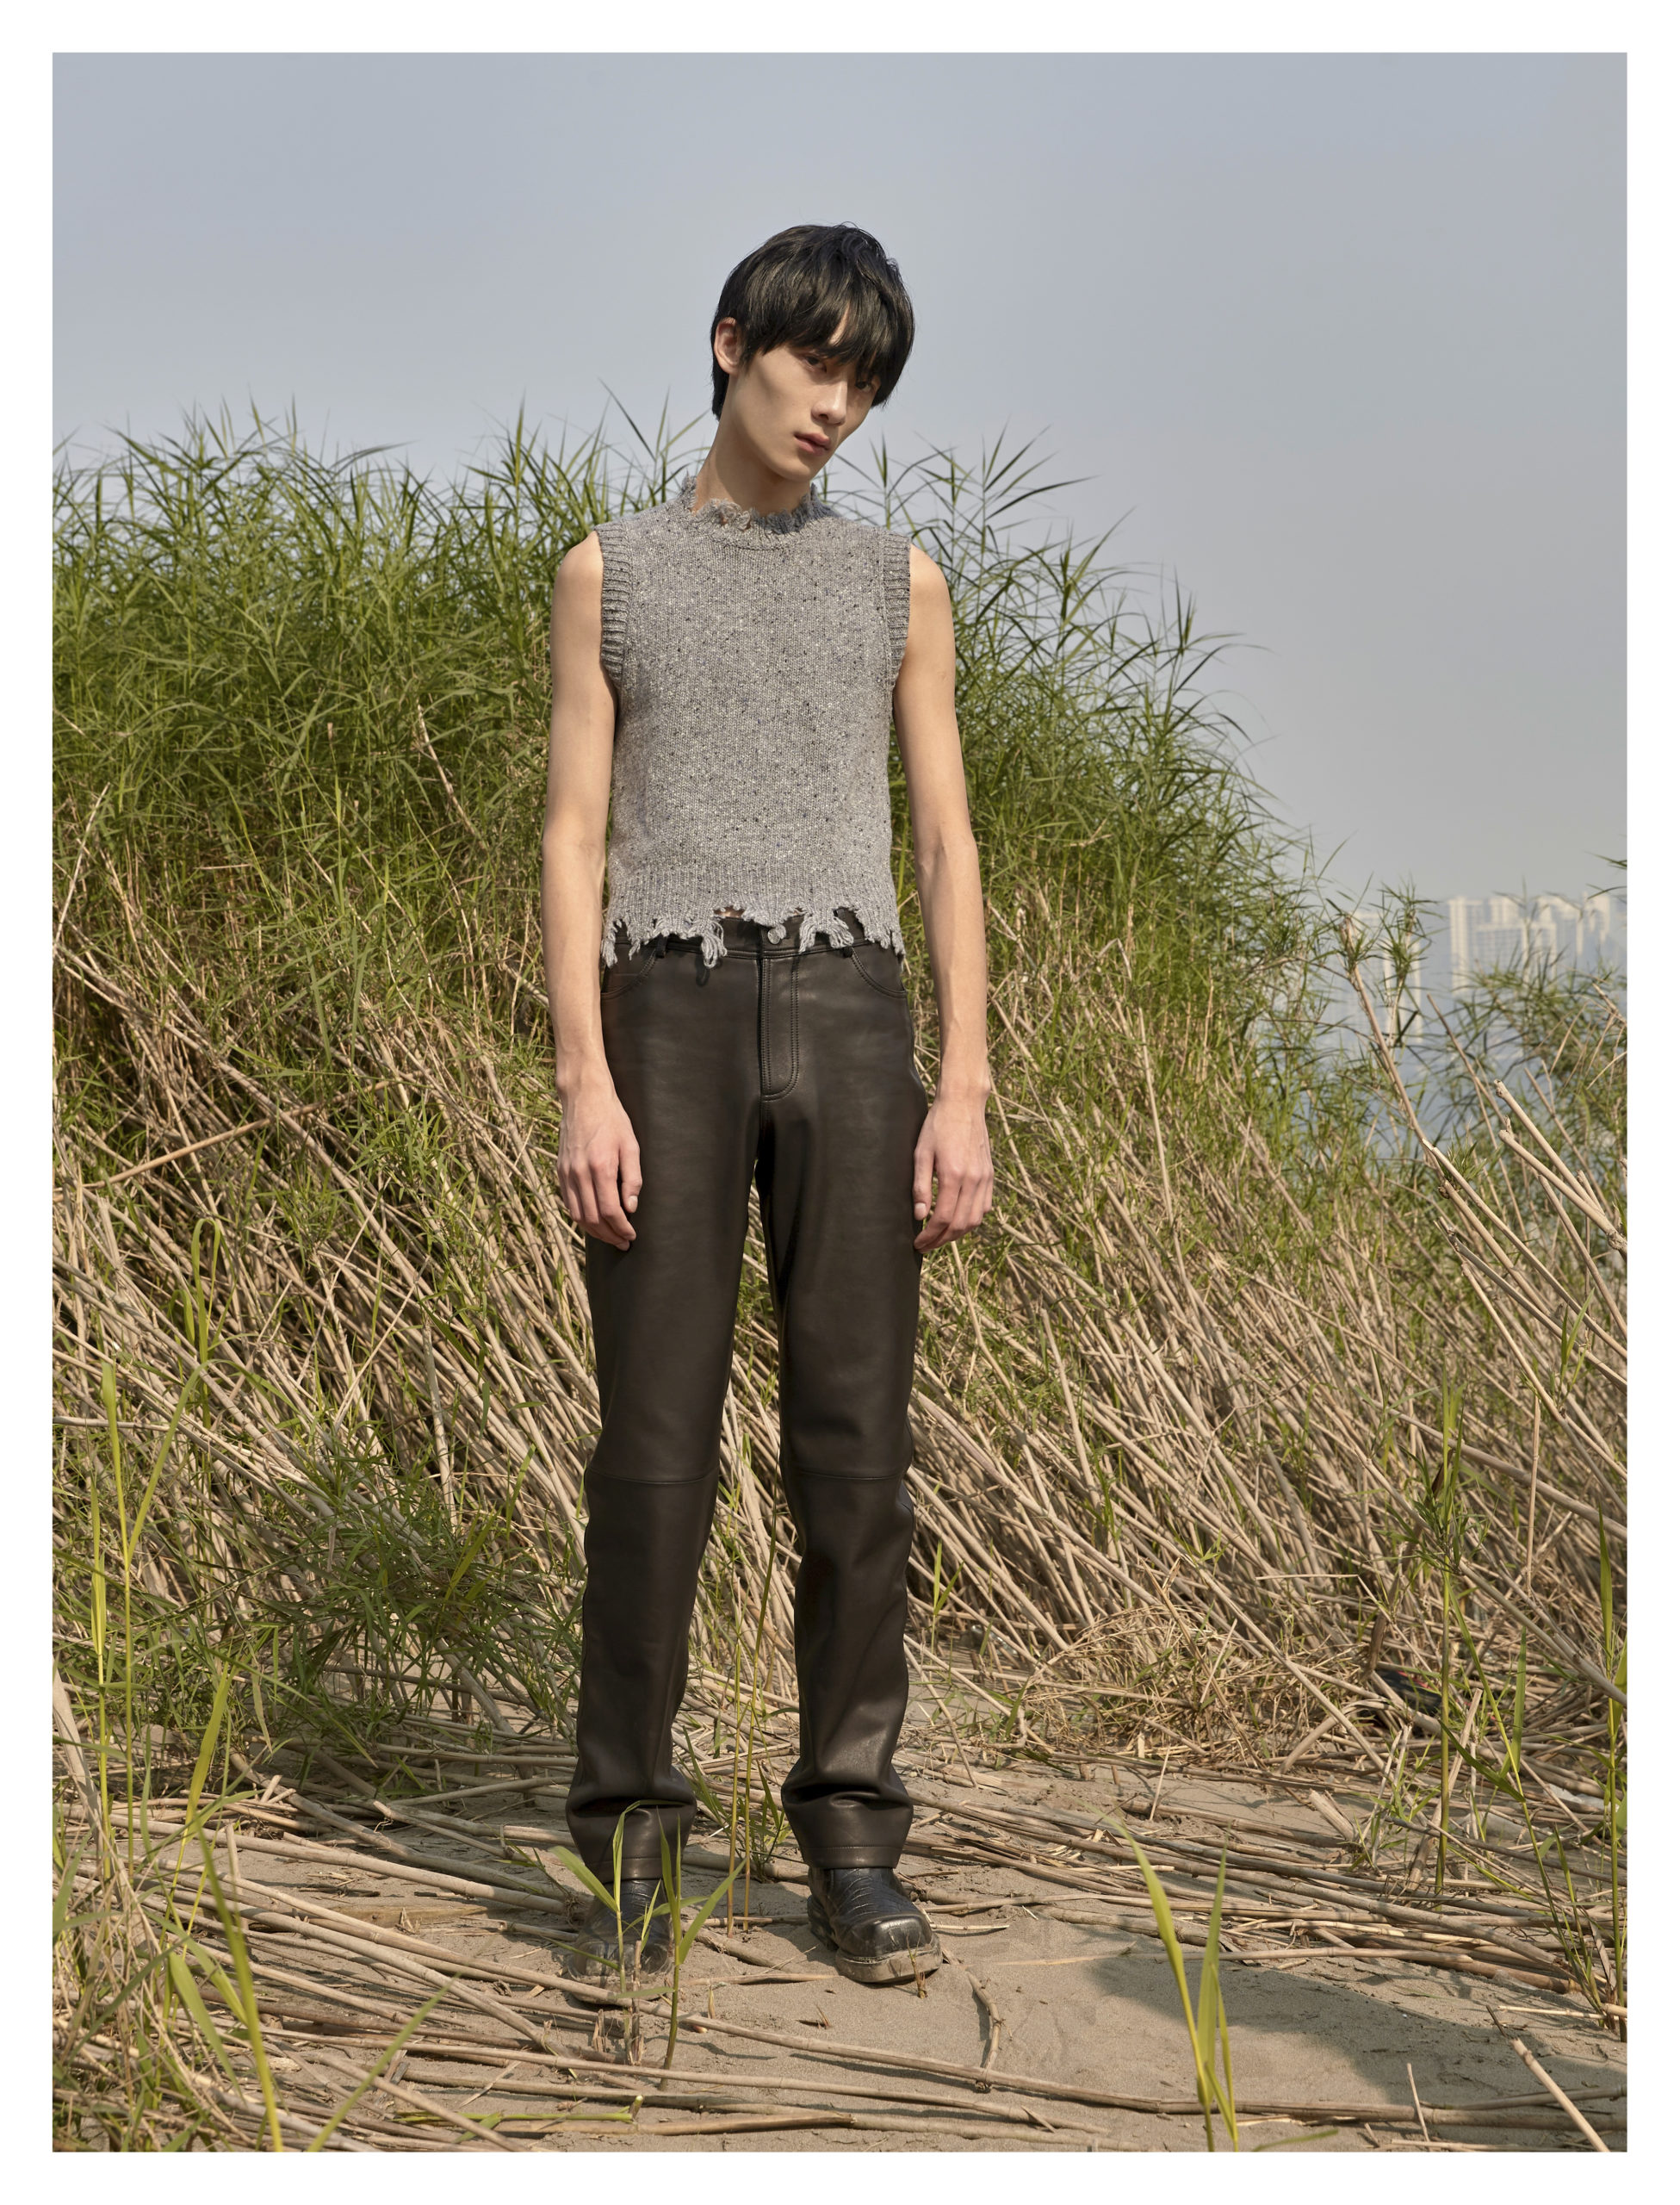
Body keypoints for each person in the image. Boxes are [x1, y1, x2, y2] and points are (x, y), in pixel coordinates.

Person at [541, 222, 993, 1986]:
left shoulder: (899, 582)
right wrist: (584, 1077)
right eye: (813, 363)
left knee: (855, 1449)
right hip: (661, 1014)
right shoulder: (610, 572)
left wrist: (964, 1083)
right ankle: (632, 1842)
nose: (834, 406)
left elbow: (944, 838)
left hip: (852, 1011)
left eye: (864, 383)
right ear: (732, 342)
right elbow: (574, 833)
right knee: (651, 1452)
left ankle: (853, 1839)